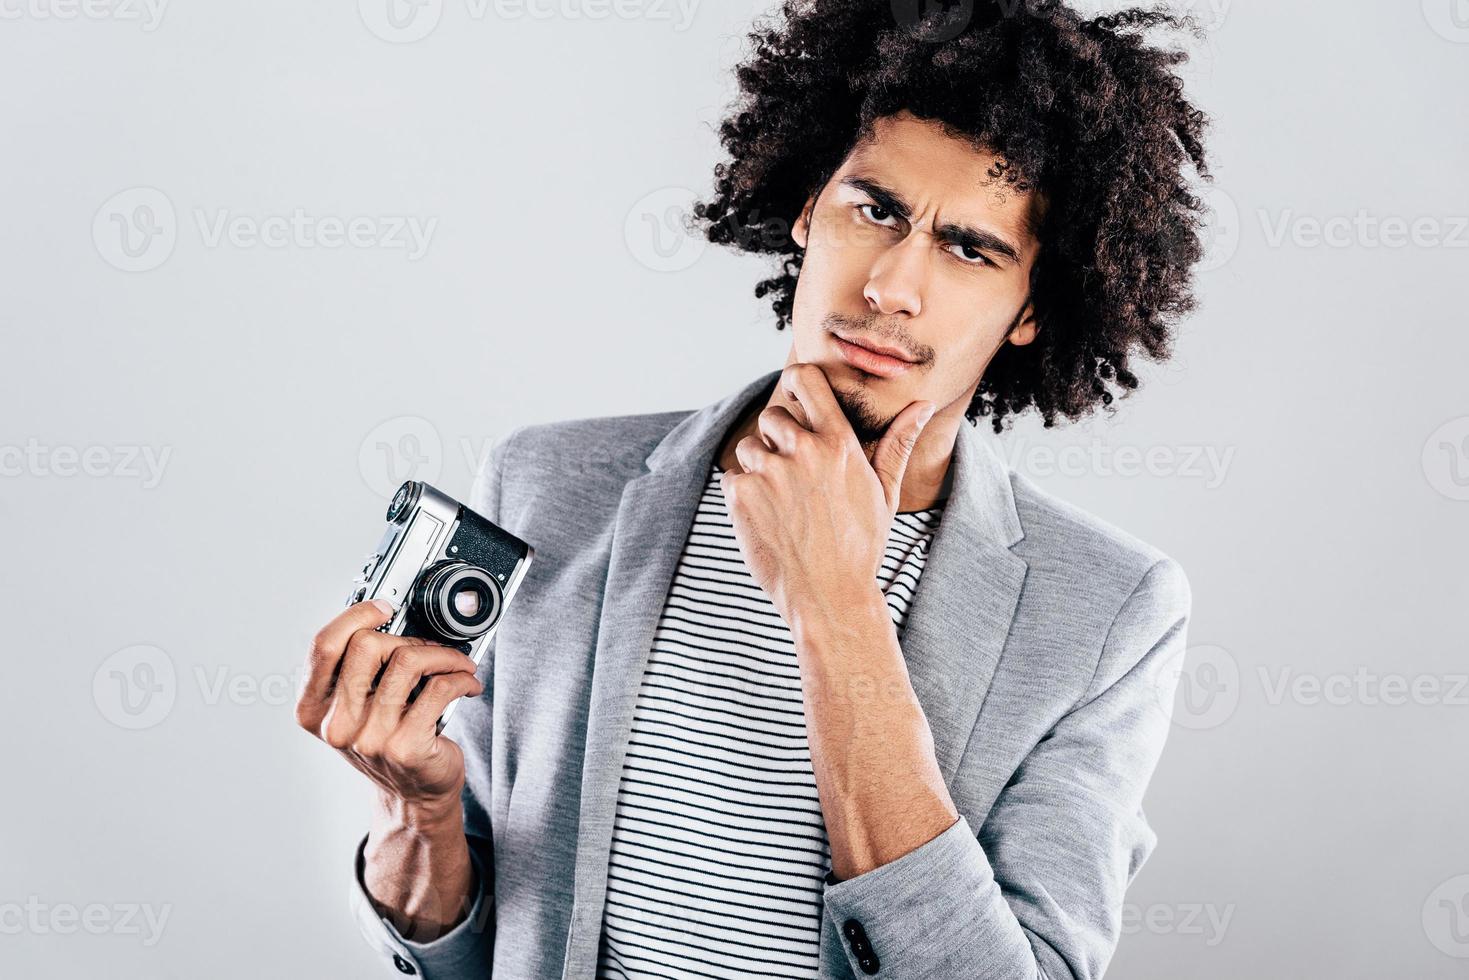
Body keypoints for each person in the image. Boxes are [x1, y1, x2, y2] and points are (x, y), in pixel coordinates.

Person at [295, 2, 1211, 976]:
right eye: (875, 209)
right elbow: (471, 953)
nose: (891, 286)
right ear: (808, 208)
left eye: (967, 248)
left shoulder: (1108, 610)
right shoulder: (548, 487)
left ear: (1030, 304)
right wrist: (415, 814)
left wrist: (834, 608)